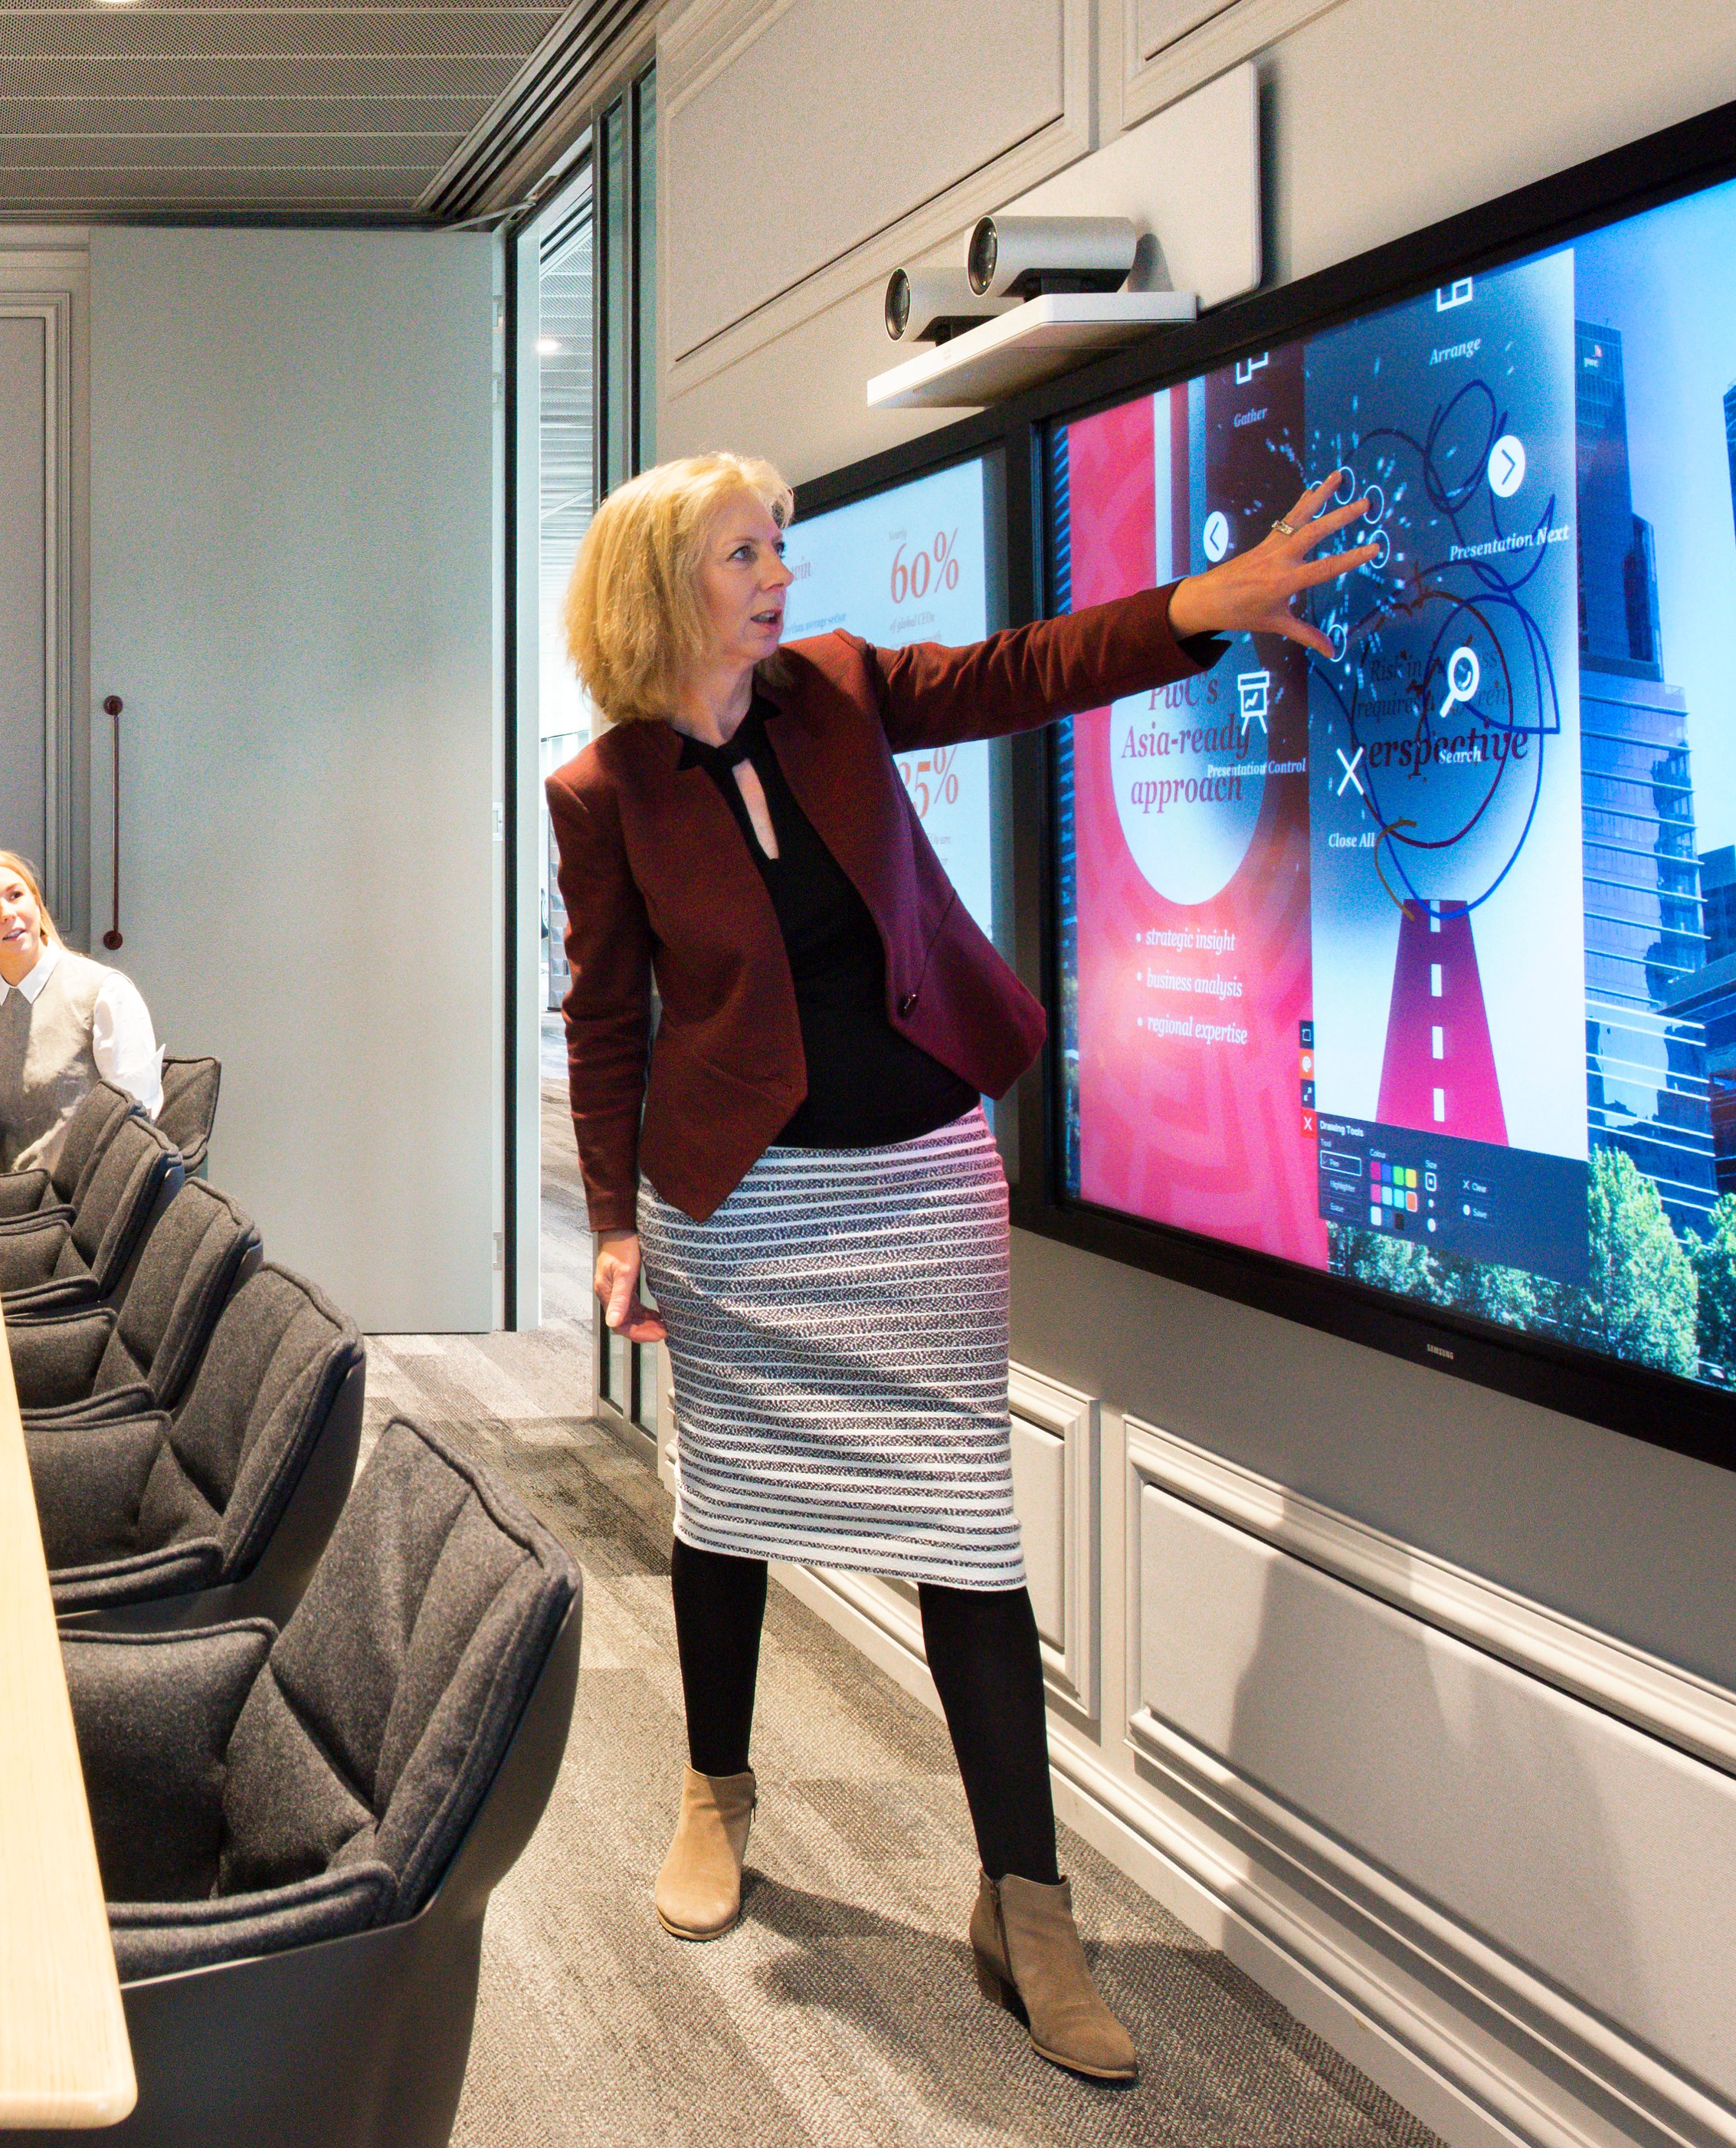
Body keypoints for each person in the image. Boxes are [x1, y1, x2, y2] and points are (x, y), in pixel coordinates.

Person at [551, 451, 1374, 2082]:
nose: (779, 574)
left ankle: (1026, 1903)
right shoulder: (602, 793)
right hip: (741, 1205)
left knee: (965, 1529)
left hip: (921, 1178)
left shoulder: (841, 692)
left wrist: (1196, 612)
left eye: (777, 545)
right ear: (663, 587)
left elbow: (1017, 672)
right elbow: (601, 1015)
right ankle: (714, 1793)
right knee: (725, 1508)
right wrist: (610, 1219)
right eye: (742, 553)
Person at [0, 847, 160, 1169]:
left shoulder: (104, 992)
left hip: (66, 1202)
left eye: (16, 895)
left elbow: (139, 1122)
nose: (7, 913)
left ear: (36, 903)